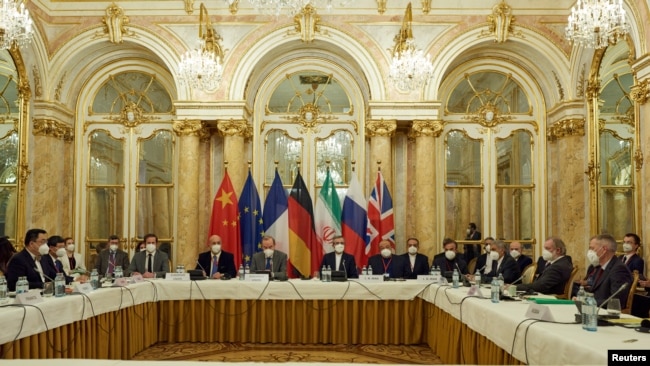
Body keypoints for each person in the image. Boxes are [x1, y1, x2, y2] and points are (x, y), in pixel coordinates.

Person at [583, 234, 632, 308]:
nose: (590, 252)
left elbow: (616, 301)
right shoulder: (599, 267)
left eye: (592, 248)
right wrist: (581, 298)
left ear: (604, 250)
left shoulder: (619, 270)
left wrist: (588, 302)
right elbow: (594, 291)